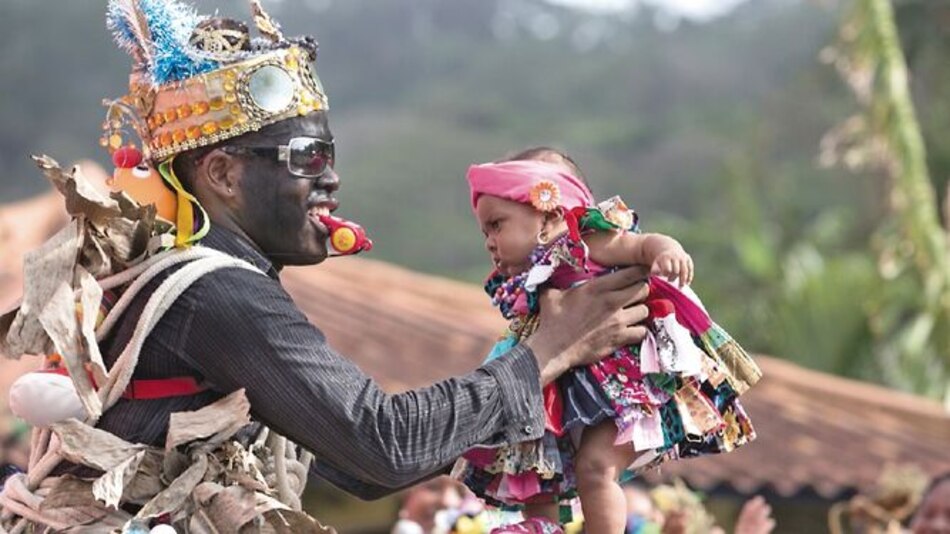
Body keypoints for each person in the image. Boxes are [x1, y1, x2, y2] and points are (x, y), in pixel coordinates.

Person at [0, 1, 652, 531]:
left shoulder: (190, 283)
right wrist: (547, 351)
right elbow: (380, 448)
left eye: (329, 157)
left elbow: (357, 461)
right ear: (222, 174)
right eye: (307, 158)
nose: (332, 180)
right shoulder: (217, 293)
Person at [455, 149, 761, 533]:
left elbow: (640, 244)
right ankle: (540, 528)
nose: (489, 241)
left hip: (619, 387)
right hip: (554, 390)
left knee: (595, 467)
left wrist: (666, 250)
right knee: (532, 465)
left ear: (549, 212)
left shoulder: (586, 242)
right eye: (485, 231)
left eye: (497, 225)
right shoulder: (522, 283)